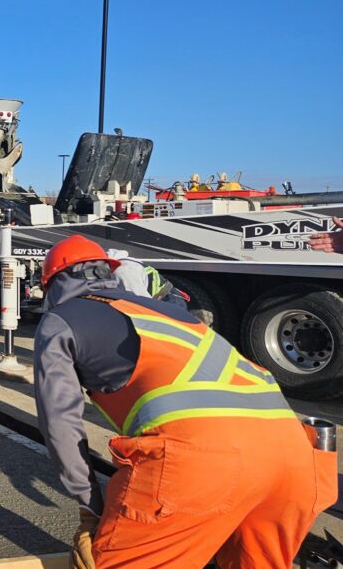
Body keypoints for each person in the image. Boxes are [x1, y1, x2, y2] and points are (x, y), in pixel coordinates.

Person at [33, 235, 335, 568]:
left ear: (53, 284)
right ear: (109, 271)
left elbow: (59, 419)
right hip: (294, 461)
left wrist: (89, 504)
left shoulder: (61, 319)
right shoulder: (174, 314)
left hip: (200, 464)